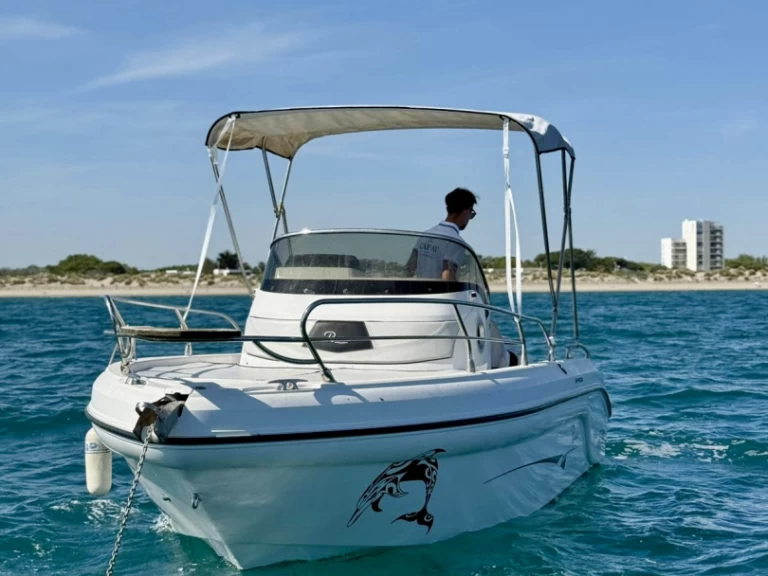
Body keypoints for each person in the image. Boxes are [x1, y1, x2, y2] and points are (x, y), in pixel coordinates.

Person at [406, 187, 477, 280]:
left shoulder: (426, 234)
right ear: (466, 211)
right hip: (439, 294)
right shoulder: (456, 242)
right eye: (471, 214)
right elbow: (447, 276)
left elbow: (409, 269)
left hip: (420, 293)